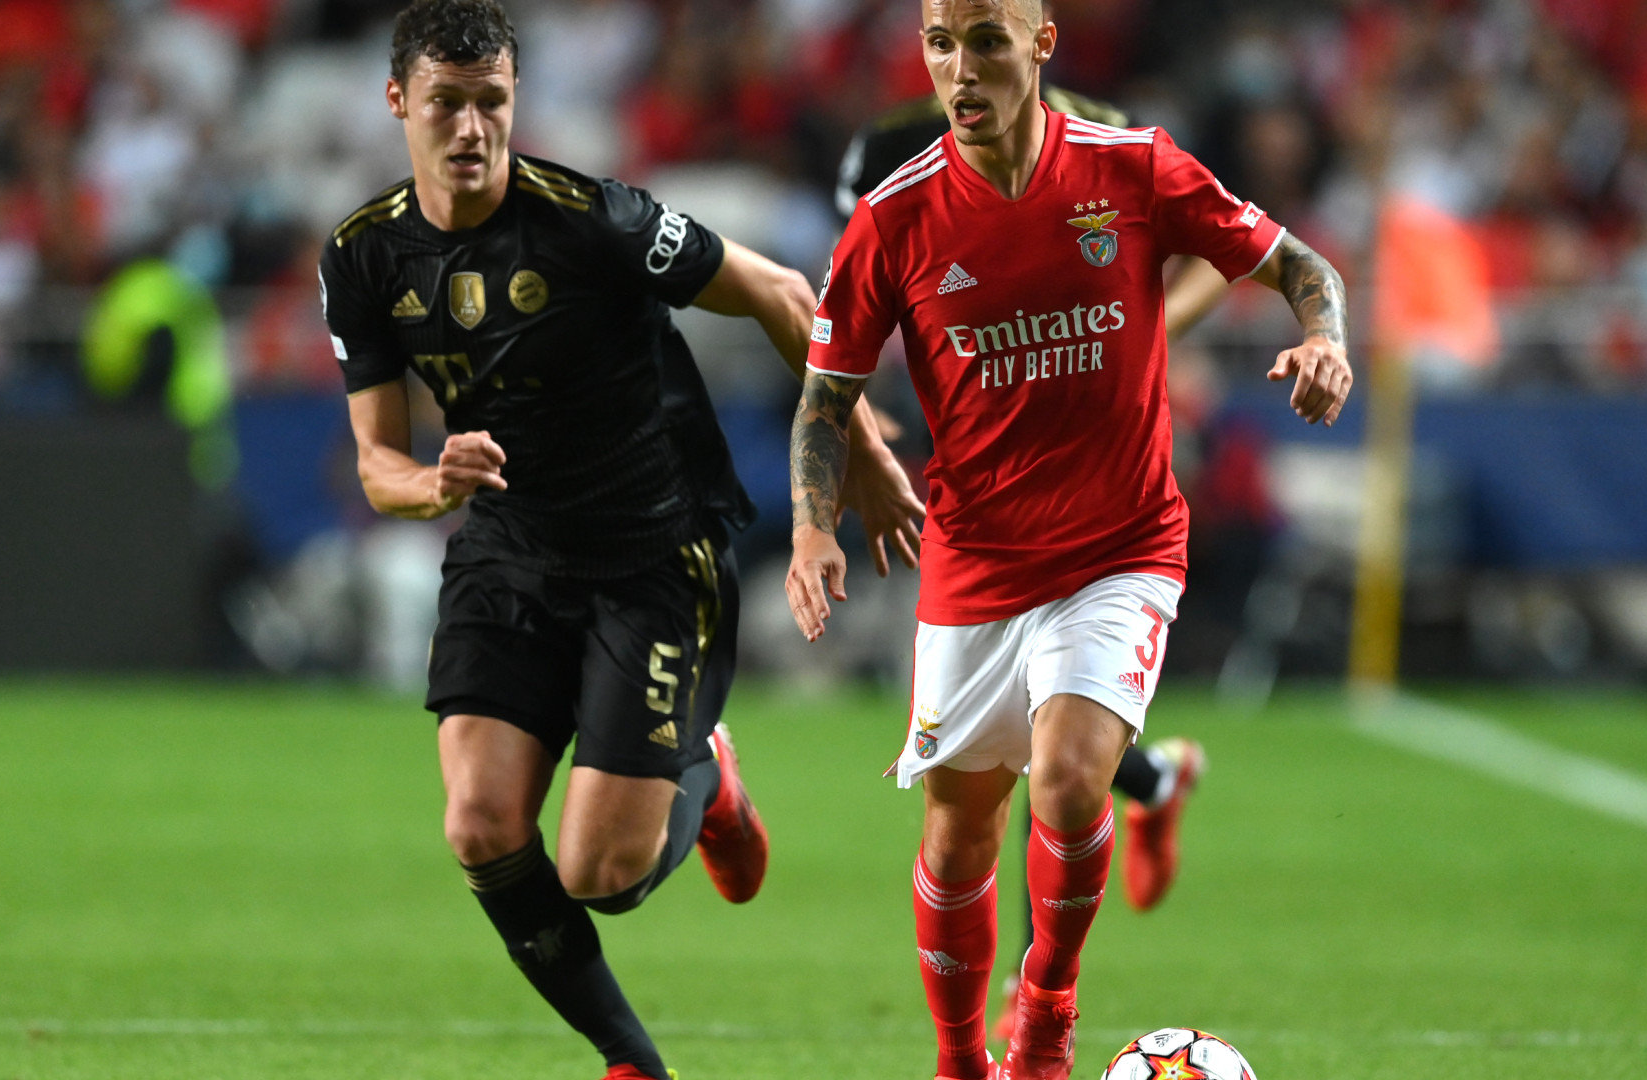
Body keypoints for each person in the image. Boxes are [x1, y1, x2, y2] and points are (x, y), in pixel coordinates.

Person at [317, 3, 923, 1078]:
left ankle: (712, 771)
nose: (470, 127)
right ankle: (631, 1061)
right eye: (447, 103)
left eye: (491, 102)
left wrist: (865, 459)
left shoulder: (594, 221)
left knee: (603, 872)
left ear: (515, 103)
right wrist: (430, 483)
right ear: (398, 101)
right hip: (507, 552)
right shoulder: (364, 257)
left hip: (649, 553)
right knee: (480, 825)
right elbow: (377, 463)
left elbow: (785, 293)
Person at [785, 2, 1352, 1078]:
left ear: (1041, 43)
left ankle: (1045, 1011)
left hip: (1121, 545)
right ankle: (961, 1064)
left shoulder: (1132, 166)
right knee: (957, 839)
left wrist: (1323, 339)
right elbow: (824, 399)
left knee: (1069, 779)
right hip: (977, 559)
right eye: (942, 43)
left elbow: (1300, 265)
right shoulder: (891, 212)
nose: (962, 66)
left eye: (987, 40)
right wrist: (816, 528)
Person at [834, 59, 1224, 929]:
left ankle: (1027, 980)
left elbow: (1210, 256)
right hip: (977, 450)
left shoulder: (1100, 131)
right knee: (1007, 735)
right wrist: (855, 430)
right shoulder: (891, 153)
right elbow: (849, 300)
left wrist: (1140, 341)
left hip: (1097, 445)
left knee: (1051, 753)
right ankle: (1156, 784)